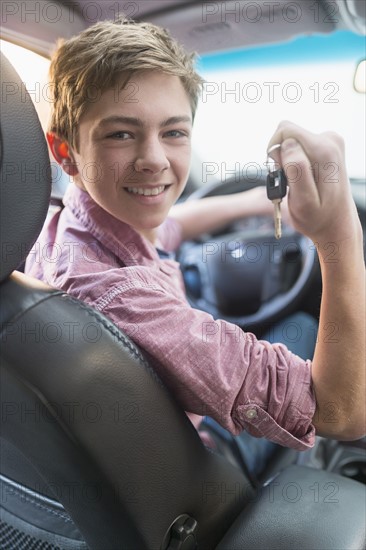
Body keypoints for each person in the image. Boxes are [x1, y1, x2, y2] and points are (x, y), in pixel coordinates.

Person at [25, 18, 365, 481]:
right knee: (302, 325)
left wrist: (253, 203)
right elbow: (340, 413)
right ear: (64, 152)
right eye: (121, 134)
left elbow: (168, 227)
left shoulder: (73, 223)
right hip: (205, 469)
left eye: (174, 132)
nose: (155, 160)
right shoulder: (122, 299)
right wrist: (340, 236)